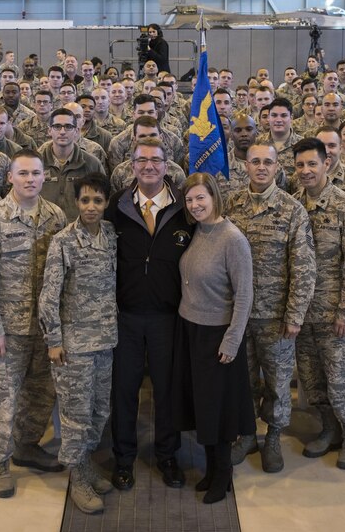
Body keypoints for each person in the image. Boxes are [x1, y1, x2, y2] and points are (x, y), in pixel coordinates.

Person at [0, 150, 67, 499]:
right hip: (5, 331)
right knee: (0, 399)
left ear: (44, 177)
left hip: (43, 329)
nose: (30, 179)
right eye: (22, 173)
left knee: (41, 394)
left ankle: (27, 445)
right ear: (9, 177)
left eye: (36, 173)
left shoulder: (55, 217)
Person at [106, 137, 193, 491]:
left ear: (167, 164)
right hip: (125, 315)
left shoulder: (184, 208)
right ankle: (123, 459)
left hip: (167, 316)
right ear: (131, 165)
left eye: (155, 161)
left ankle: (167, 455)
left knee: (167, 390)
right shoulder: (117, 206)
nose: (148, 167)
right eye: (141, 161)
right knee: (124, 390)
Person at [226, 142, 316, 474]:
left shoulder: (292, 210)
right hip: (238, 315)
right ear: (245, 166)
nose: (261, 167)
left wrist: (294, 315)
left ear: (278, 167)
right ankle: (247, 434)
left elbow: (304, 268)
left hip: (276, 315)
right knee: (243, 380)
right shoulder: (232, 205)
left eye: (268, 162)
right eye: (255, 162)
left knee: (278, 383)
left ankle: (274, 436)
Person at [39, 174, 118, 515]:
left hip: (105, 341)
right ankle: (77, 476)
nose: (90, 207)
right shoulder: (63, 241)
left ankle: (85, 462)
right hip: (73, 346)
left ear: (106, 203)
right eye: (85, 200)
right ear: (76, 202)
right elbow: (48, 296)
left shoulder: (112, 236)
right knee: (76, 415)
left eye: (97, 201)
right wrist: (54, 340)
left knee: (100, 411)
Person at [173, 172, 255, 504]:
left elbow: (245, 294)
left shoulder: (232, 238)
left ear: (214, 197)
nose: (195, 205)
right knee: (201, 406)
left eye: (200, 198)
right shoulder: (196, 231)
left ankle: (223, 474)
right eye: (190, 200)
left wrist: (232, 340)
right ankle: (210, 469)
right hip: (189, 329)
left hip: (217, 334)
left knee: (218, 411)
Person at [291, 138, 345, 469]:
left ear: (327, 164)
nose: (306, 171)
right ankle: (329, 428)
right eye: (300, 165)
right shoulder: (293, 205)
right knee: (312, 380)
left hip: (335, 314)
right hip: (303, 313)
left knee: (342, 380)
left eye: (313, 164)